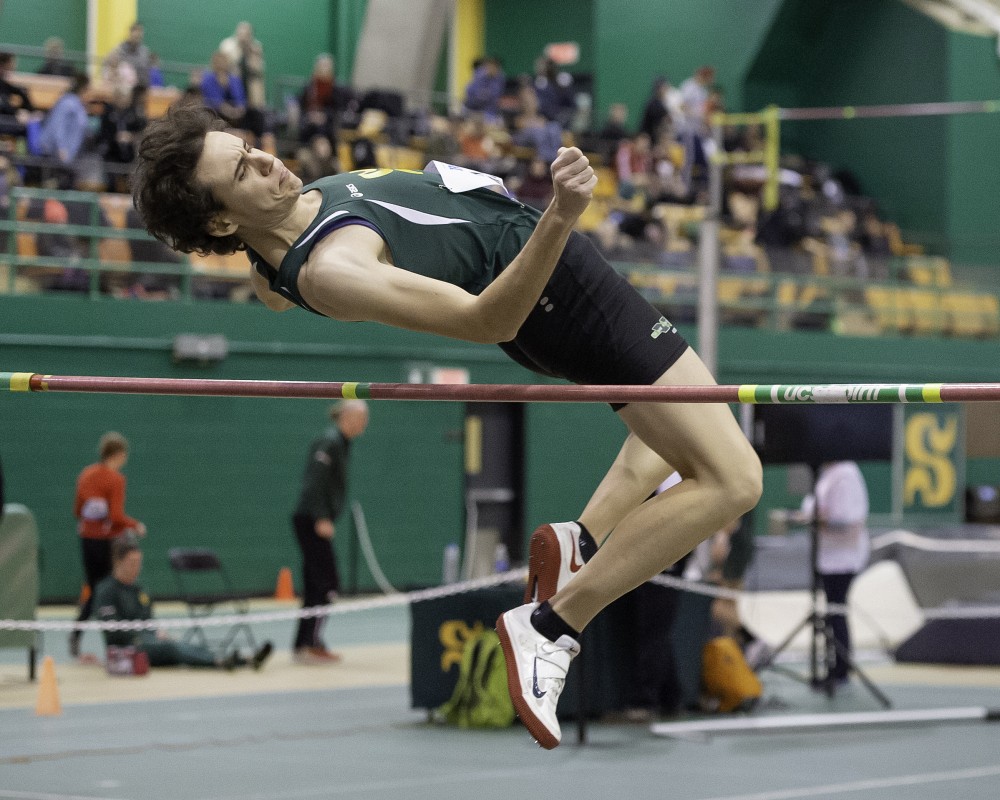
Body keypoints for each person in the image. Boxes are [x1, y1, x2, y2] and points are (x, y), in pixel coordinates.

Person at [132, 104, 762, 749]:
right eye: (242, 169)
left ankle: (585, 540)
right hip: (557, 292)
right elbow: (490, 321)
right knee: (734, 480)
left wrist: (260, 247)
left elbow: (269, 282)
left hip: (549, 284)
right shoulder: (331, 268)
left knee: (688, 421)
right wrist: (561, 214)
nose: (266, 159)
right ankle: (552, 626)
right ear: (220, 217)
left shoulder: (288, 233)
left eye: (249, 147)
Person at [94, 536, 273, 670]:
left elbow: (148, 620)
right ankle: (218, 662)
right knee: (173, 647)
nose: (136, 568)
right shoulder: (105, 590)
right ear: (117, 562)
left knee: (185, 644)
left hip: (149, 640)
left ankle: (244, 660)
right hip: (125, 650)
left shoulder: (140, 590)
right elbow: (113, 631)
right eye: (131, 563)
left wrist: (155, 632)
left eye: (138, 563)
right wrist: (145, 635)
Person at [290, 400, 369, 664]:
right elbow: (315, 482)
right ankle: (309, 643)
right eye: (362, 418)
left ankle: (306, 643)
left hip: (312, 518)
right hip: (311, 519)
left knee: (316, 583)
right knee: (326, 583)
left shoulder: (342, 443)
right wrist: (322, 516)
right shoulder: (331, 441)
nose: (365, 425)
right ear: (348, 417)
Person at [70, 432, 146, 660]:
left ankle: (77, 632)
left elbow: (77, 511)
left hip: (87, 540)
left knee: (94, 589)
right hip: (104, 543)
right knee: (106, 590)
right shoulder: (115, 480)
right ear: (119, 455)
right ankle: (115, 645)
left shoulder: (86, 475)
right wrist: (136, 525)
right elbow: (115, 515)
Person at [798, 460, 870, 685]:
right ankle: (835, 668)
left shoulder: (846, 474)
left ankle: (840, 671)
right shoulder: (826, 474)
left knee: (836, 612)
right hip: (828, 557)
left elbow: (846, 518)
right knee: (832, 613)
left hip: (843, 559)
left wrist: (819, 517)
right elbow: (814, 506)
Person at [105, 22, 152, 88]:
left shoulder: (144, 52)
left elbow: (147, 73)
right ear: (130, 34)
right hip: (122, 87)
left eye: (139, 35)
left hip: (139, 87)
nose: (137, 37)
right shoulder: (119, 49)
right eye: (135, 35)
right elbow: (108, 63)